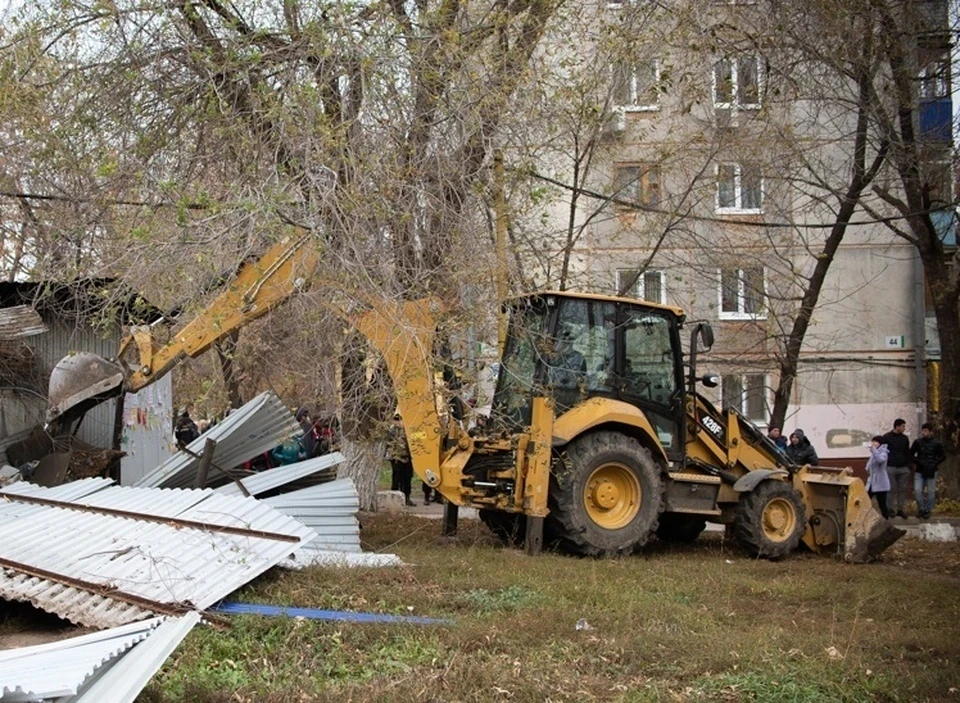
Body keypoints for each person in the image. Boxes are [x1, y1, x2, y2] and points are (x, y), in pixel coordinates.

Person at [910, 422, 946, 519]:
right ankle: (921, 509)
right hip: (920, 470)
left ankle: (927, 510)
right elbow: (911, 454)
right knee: (917, 491)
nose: (923, 433)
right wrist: (918, 462)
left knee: (931, 491)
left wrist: (934, 463)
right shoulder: (918, 442)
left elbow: (943, 456)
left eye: (925, 431)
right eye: (923, 430)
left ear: (931, 432)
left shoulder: (937, 443)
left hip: (932, 470)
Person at [881, 418, 911, 519]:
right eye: (903, 426)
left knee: (902, 489)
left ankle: (900, 509)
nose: (904, 428)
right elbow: (883, 451)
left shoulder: (905, 439)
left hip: (903, 467)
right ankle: (890, 508)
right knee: (890, 489)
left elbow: (907, 452)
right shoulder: (887, 437)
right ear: (897, 426)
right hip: (891, 467)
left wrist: (908, 465)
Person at [387, 414, 415, 507]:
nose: (398, 422)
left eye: (399, 420)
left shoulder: (408, 430)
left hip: (407, 457)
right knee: (396, 478)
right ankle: (395, 498)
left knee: (407, 478)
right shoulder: (392, 431)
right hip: (396, 458)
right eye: (396, 420)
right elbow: (389, 444)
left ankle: (407, 497)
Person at [865, 435, 891, 519]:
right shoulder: (874, 453)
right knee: (865, 500)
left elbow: (880, 460)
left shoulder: (884, 452)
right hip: (872, 482)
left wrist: (874, 451)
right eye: (873, 442)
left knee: (882, 504)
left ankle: (886, 520)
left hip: (881, 483)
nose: (873, 443)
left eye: (876, 442)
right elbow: (869, 465)